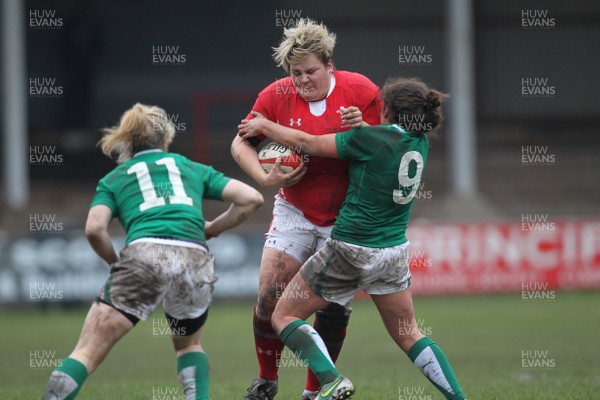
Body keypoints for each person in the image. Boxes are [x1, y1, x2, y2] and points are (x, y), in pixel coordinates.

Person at [238, 77, 467, 400]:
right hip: (393, 252)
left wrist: (266, 126)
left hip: (351, 249)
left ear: (385, 110)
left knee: (282, 315)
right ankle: (459, 397)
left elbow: (307, 142)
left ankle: (330, 380)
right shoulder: (419, 143)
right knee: (410, 334)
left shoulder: (368, 139)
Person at [41, 103, 264, 400]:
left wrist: (114, 263)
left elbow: (94, 229)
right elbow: (252, 198)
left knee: (88, 350)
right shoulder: (188, 166)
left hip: (144, 254)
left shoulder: (115, 178)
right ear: (165, 139)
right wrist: (212, 229)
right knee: (188, 345)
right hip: (194, 257)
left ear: (127, 141)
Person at [231, 18, 381, 400]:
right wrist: (265, 180)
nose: (303, 80)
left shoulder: (361, 91)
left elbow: (387, 146)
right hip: (294, 211)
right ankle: (266, 379)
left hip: (347, 216)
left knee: (330, 311)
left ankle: (316, 392)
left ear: (330, 65)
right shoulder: (276, 95)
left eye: (311, 71)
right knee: (269, 294)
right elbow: (241, 143)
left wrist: (362, 128)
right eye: (295, 73)